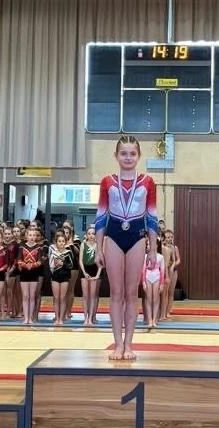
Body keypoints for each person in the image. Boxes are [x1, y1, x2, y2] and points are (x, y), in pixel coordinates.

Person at [95, 135, 158, 360]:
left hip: (137, 237)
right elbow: (101, 215)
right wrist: (98, 248)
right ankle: (118, 344)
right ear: (116, 156)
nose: (128, 157)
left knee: (132, 293)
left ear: (139, 156)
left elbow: (152, 216)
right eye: (124, 153)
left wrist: (153, 249)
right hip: (113, 236)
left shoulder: (148, 182)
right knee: (116, 292)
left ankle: (129, 344)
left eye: (132, 153)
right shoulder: (107, 182)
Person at [49, 232, 73, 325]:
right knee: (56, 298)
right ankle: (57, 317)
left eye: (63, 241)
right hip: (55, 277)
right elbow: (51, 266)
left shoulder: (68, 252)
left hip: (65, 277)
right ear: (56, 242)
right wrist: (54, 265)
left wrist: (63, 263)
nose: (61, 243)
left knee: (62, 298)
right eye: (59, 241)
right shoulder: (53, 253)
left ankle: (61, 318)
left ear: (65, 242)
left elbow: (71, 265)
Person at [79, 226, 102, 325]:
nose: (91, 235)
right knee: (85, 296)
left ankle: (90, 318)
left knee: (92, 296)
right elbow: (80, 260)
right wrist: (84, 272)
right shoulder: (83, 244)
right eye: (89, 234)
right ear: (86, 235)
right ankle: (85, 318)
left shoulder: (98, 246)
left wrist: (97, 275)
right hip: (85, 270)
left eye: (93, 233)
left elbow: (101, 263)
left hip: (94, 270)